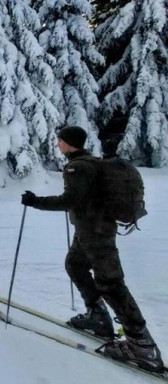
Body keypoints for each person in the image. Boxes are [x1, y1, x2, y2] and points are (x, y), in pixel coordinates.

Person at [21, 126, 163, 372]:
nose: (57, 144)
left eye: (60, 140)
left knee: (111, 283)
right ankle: (97, 316)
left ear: (69, 143)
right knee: (74, 264)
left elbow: (70, 200)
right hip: (90, 230)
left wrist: (36, 202)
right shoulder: (90, 163)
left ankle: (142, 345)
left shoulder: (78, 167)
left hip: (95, 232)